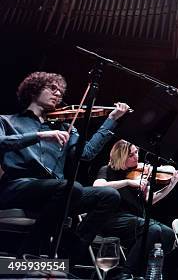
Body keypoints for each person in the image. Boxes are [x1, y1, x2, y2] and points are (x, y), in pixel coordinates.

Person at [0, 71, 130, 258]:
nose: (58, 94)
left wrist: (111, 120)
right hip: (19, 187)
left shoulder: (62, 127)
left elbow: (86, 153)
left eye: (60, 91)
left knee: (109, 195)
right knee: (71, 188)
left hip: (58, 193)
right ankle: (29, 253)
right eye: (52, 88)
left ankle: (69, 254)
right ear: (34, 90)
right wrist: (39, 135)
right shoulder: (7, 121)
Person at [94, 139, 178, 276]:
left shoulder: (139, 174)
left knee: (168, 233)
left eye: (137, 152)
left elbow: (150, 200)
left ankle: (152, 274)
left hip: (134, 221)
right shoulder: (107, 170)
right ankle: (126, 274)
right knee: (152, 229)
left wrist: (171, 185)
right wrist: (128, 182)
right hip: (112, 219)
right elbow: (98, 186)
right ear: (121, 157)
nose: (136, 156)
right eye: (131, 155)